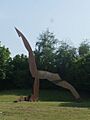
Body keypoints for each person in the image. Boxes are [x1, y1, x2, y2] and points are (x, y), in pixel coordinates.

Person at [15, 27, 80, 101]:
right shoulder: (38, 74)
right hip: (54, 79)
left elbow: (29, 50)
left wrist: (21, 35)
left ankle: (21, 35)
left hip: (52, 77)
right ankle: (78, 98)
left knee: (31, 54)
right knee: (70, 87)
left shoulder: (35, 73)